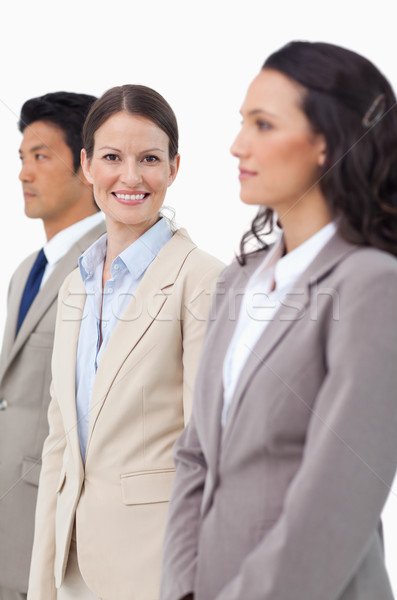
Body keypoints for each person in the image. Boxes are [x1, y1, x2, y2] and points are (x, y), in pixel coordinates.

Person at [160, 41, 397, 600]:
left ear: (327, 143)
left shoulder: (372, 285)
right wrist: (182, 590)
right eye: (243, 122)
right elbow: (196, 455)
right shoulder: (237, 279)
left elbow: (338, 498)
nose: (237, 144)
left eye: (264, 125)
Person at [27, 84, 224, 600]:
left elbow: (208, 451)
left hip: (153, 569)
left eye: (150, 159)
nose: (131, 177)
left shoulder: (202, 279)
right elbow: (59, 447)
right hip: (70, 569)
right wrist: (42, 582)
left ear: (174, 168)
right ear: (88, 166)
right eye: (113, 157)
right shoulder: (75, 283)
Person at [0, 91, 106, 600]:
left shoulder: (109, 265)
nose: (23, 173)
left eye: (40, 156)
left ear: (86, 166)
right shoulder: (26, 272)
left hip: (55, 525)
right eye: (22, 158)